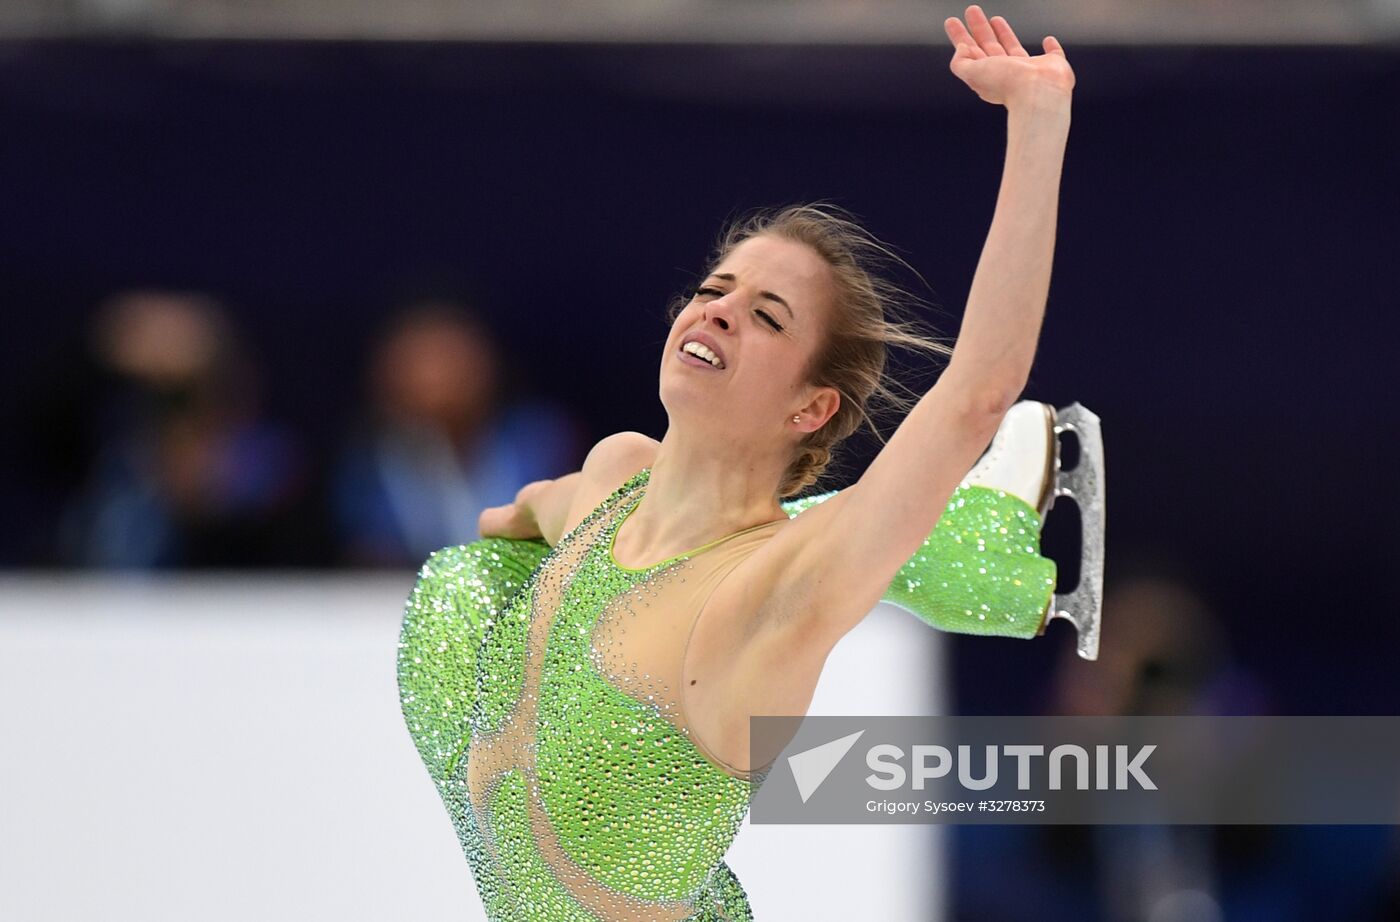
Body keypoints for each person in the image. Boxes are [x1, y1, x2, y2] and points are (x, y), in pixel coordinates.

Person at [398, 7, 1091, 919]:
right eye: (715, 289)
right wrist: (494, 541)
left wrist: (1038, 121)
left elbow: (975, 394)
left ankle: (954, 536)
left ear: (812, 406)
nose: (717, 311)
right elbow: (511, 520)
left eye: (767, 316)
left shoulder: (775, 593)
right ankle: (959, 546)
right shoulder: (611, 479)